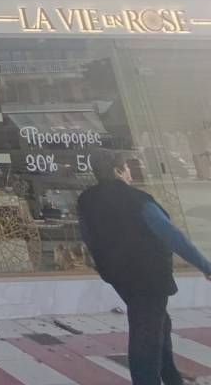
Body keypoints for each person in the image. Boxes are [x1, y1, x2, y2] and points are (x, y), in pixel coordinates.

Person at [78, 150, 211, 385]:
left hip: (119, 276)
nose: (130, 171)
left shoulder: (86, 200)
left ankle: (171, 377)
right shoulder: (138, 200)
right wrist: (205, 265)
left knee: (158, 323)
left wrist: (103, 265)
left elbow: (88, 237)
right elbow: (172, 236)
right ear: (118, 171)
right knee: (146, 335)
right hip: (149, 276)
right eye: (127, 166)